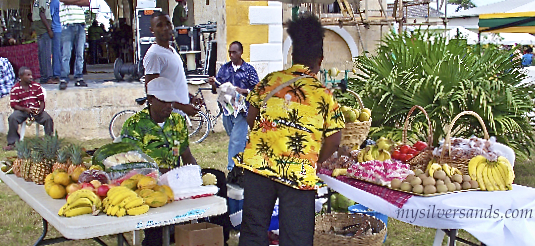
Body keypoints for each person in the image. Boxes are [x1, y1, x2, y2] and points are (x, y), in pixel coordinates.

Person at [236, 13, 345, 246]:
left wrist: (270, 138)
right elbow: (335, 140)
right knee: (297, 238)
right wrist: (315, 162)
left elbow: (252, 117)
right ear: (320, 59)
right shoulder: (324, 95)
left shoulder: (269, 81)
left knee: (253, 230)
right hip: (299, 172)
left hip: (258, 167)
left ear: (292, 55)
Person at [120, 77, 231, 246]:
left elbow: (186, 155)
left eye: (171, 101)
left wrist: (195, 175)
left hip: (177, 178)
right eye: (164, 101)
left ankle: (218, 237)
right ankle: (155, 239)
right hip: (150, 182)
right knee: (156, 204)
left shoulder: (177, 121)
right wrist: (161, 175)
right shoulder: (134, 125)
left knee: (218, 177)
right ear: (150, 100)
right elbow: (132, 166)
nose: (169, 106)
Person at [207, 41, 259, 171]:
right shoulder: (224, 69)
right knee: (235, 137)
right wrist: (213, 84)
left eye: (234, 52)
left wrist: (243, 91)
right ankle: (246, 152)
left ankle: (233, 169)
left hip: (242, 111)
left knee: (236, 139)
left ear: (241, 53)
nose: (231, 55)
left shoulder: (249, 70)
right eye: (230, 52)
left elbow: (258, 90)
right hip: (227, 110)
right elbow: (216, 89)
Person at [143, 11, 199, 116]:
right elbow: (153, 92)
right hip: (166, 119)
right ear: (152, 30)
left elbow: (174, 83)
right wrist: (183, 107)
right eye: (159, 25)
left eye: (168, 24)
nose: (165, 28)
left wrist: (190, 98)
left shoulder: (171, 50)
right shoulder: (154, 55)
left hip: (178, 117)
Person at [5, 67, 54, 150]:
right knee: (12, 118)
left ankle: (49, 141)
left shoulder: (36, 86)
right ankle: (12, 143)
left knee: (47, 119)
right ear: (21, 77)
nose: (31, 77)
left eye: (31, 74)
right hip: (22, 111)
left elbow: (42, 101)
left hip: (36, 110)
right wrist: (25, 109)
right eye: (28, 75)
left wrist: (40, 111)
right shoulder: (15, 89)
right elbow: (14, 104)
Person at [58, 1, 89, 90]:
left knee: (80, 54)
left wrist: (71, 2)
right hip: (67, 26)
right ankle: (64, 78)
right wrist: (78, 2)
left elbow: (87, 2)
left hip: (80, 25)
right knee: (66, 54)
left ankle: (79, 77)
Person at [32, 0, 54, 84]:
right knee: (46, 55)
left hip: (41, 29)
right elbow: (42, 14)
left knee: (43, 54)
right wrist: (49, 30)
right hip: (43, 29)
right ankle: (48, 77)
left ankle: (44, 77)